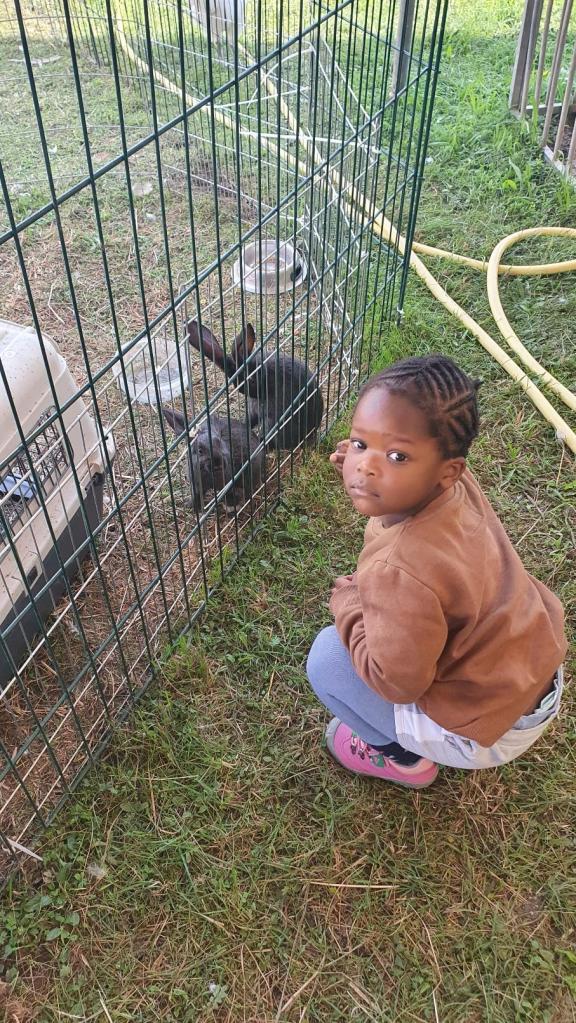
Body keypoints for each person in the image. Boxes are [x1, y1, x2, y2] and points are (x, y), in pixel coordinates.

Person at [306, 354, 567, 788]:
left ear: (448, 472)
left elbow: (397, 684)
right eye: (358, 443)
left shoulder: (402, 572)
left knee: (328, 658)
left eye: (396, 455)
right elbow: (392, 480)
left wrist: (348, 600)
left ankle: (404, 761)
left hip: (486, 730)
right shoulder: (453, 488)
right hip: (533, 673)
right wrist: (372, 466)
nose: (365, 466)